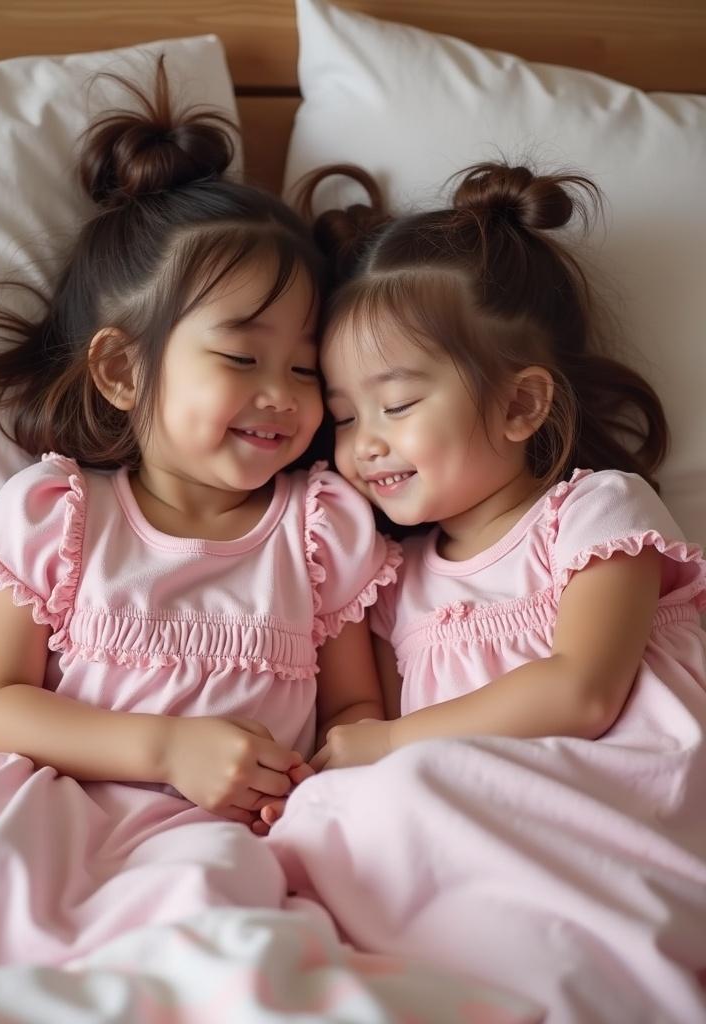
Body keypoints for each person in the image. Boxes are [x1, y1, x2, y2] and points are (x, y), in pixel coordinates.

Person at [0, 62, 399, 977]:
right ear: (122, 371)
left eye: (307, 369)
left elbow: (354, 710)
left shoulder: (321, 528)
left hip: (221, 838)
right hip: (52, 809)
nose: (281, 395)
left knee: (218, 930)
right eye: (241, 355)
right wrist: (166, 747)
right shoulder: (59, 512)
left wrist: (308, 783)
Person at [264, 161, 706, 1020]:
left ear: (519, 405)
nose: (365, 446)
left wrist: (385, 746)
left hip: (615, 810)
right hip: (471, 847)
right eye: (347, 417)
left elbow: (581, 691)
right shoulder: (395, 582)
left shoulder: (594, 513)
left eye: (396, 405)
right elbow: (370, 724)